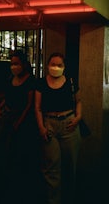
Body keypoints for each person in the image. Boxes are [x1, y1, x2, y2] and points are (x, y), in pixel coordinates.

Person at [35, 52, 82, 204]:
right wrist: (41, 127)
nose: (55, 67)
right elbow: (37, 107)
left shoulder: (70, 82)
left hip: (68, 124)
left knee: (70, 165)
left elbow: (78, 101)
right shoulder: (41, 83)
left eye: (59, 65)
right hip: (49, 125)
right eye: (53, 64)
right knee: (51, 168)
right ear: (48, 65)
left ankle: (70, 199)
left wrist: (78, 117)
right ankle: (53, 200)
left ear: (64, 67)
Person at [0, 50, 38, 203]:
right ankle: (5, 180)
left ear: (23, 64)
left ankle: (20, 185)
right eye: (12, 64)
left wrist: (19, 121)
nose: (14, 67)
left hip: (22, 119)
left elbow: (29, 104)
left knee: (19, 150)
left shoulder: (30, 80)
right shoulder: (10, 78)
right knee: (4, 147)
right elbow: (7, 97)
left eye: (17, 63)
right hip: (7, 116)